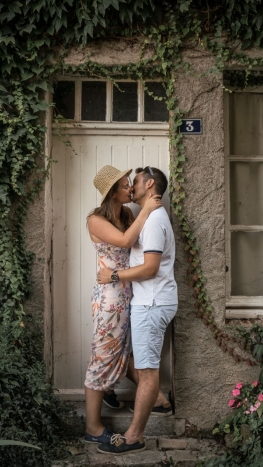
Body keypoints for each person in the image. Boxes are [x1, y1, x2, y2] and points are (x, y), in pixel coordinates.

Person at [96, 166, 177, 455]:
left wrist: (114, 276)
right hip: (146, 301)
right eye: (126, 184)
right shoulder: (146, 217)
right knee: (136, 361)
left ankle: (134, 436)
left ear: (150, 184)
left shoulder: (154, 220)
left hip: (152, 302)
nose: (132, 187)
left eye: (137, 182)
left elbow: (151, 267)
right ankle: (159, 402)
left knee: (147, 370)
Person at [82, 165, 164, 445]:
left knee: (124, 349)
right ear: (112, 193)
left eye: (131, 183)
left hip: (130, 291)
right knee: (103, 354)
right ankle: (92, 427)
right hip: (109, 296)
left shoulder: (127, 214)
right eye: (124, 185)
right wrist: (147, 210)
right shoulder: (95, 220)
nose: (130, 188)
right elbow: (127, 241)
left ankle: (153, 396)